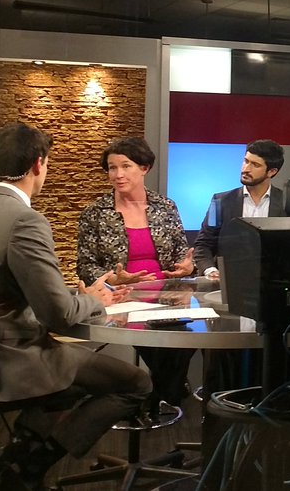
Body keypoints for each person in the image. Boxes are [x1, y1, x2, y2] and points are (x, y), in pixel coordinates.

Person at [0, 123, 151, 491]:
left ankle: (17, 453)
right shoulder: (24, 219)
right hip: (12, 358)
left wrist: (79, 298)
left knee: (75, 378)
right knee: (135, 383)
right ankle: (29, 467)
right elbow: (58, 314)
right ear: (38, 164)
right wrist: (94, 299)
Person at [76, 136, 196, 412]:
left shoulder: (166, 207)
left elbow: (182, 254)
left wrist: (187, 267)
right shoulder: (95, 213)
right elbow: (84, 266)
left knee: (188, 335)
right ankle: (165, 393)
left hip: (167, 297)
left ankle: (156, 394)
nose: (117, 174)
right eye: (112, 168)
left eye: (125, 166)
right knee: (160, 343)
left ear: (144, 168)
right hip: (123, 298)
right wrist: (113, 278)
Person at [193, 139, 288, 277]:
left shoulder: (286, 203)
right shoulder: (219, 202)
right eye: (246, 161)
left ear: (271, 172)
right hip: (229, 280)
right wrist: (210, 270)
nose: (246, 169)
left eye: (255, 165)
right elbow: (203, 244)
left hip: (273, 281)